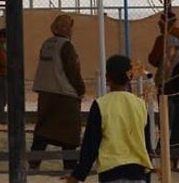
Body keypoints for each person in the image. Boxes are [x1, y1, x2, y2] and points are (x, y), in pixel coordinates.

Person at [64, 54, 153, 183]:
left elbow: (91, 145)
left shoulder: (101, 105)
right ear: (131, 77)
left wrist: (77, 175)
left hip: (111, 172)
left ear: (107, 78)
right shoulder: (141, 105)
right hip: (138, 172)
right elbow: (146, 145)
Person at [30, 14, 86, 171]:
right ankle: (69, 166)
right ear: (66, 28)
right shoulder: (66, 46)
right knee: (69, 135)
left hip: (46, 93)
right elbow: (72, 71)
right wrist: (81, 89)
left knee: (42, 130)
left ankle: (34, 163)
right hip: (64, 95)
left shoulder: (47, 43)